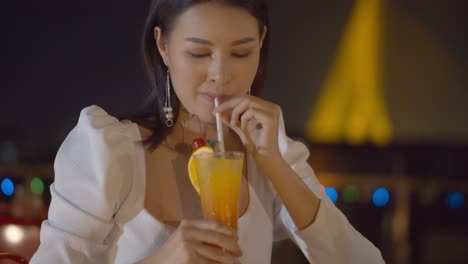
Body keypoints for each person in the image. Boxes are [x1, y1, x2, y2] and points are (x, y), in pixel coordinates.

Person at [31, 0, 385, 263]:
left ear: (261, 42)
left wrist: (273, 163)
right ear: (163, 46)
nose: (220, 74)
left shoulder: (273, 156)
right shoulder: (109, 152)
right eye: (199, 53)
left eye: (241, 52)